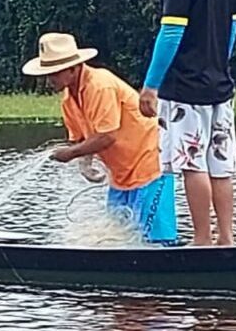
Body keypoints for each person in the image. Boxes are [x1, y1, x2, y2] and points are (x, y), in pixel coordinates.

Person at [140, 0, 236, 246]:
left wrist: (151, 85)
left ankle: (202, 241)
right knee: (221, 164)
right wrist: (218, 65)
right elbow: (231, 33)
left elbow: (171, 33)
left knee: (191, 164)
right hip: (220, 88)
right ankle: (227, 238)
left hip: (184, 89)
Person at [23, 32, 178, 245]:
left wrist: (70, 154)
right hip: (121, 176)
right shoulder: (69, 99)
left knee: (157, 240)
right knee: (119, 238)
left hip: (150, 164)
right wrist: (84, 163)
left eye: (54, 74)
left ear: (73, 69)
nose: (49, 80)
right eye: (48, 74)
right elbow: (80, 139)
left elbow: (106, 137)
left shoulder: (100, 85)